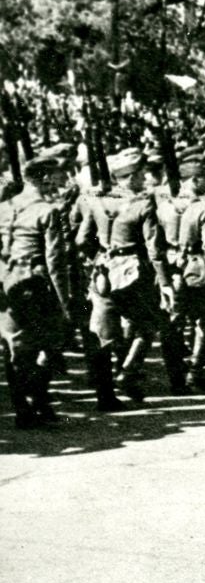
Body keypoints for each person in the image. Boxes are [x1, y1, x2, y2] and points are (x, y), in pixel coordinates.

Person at [77, 147, 187, 406]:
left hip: (103, 272)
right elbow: (154, 248)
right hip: (134, 273)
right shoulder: (142, 203)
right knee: (149, 323)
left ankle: (105, 396)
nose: (144, 179)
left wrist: (98, 259)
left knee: (103, 332)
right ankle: (128, 370)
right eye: (140, 175)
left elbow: (82, 239)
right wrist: (165, 283)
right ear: (133, 176)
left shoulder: (96, 200)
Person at [0, 154, 71, 426]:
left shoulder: (4, 207)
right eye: (56, 175)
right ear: (44, 179)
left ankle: (24, 409)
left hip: (7, 282)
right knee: (52, 342)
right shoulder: (47, 211)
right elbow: (56, 262)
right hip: (35, 283)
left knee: (14, 347)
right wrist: (64, 303)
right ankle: (38, 397)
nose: (60, 180)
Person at [156, 146, 205, 391]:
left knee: (173, 324)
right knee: (204, 321)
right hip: (196, 269)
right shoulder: (203, 208)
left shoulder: (163, 207)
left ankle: (176, 378)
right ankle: (194, 371)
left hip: (171, 267)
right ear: (194, 180)